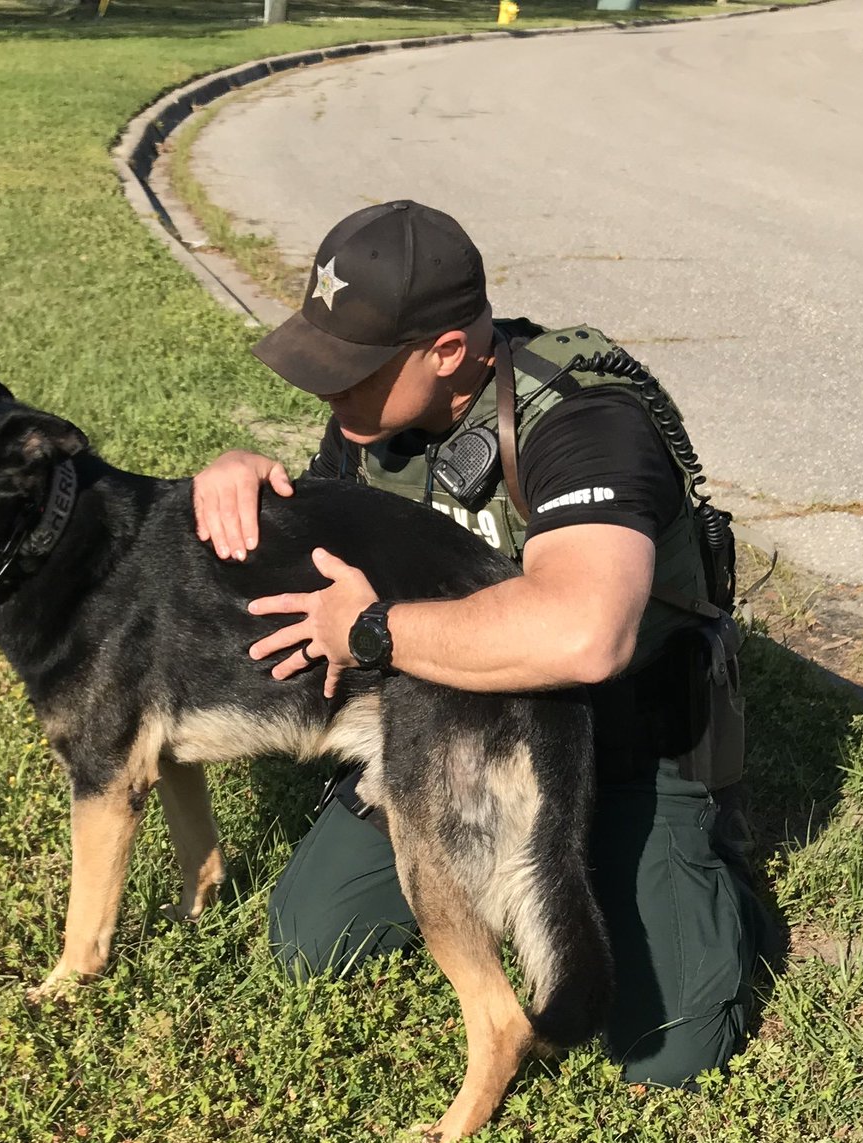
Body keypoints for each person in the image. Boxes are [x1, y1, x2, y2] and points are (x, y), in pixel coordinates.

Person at [191, 200, 772, 1088]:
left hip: (625, 739)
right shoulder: (378, 424)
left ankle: (699, 863)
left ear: (449, 353)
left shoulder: (583, 422)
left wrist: (376, 630)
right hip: (454, 723)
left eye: (352, 372)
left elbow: (587, 633)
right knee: (314, 937)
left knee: (667, 1048)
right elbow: (331, 533)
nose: (326, 392)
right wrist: (244, 478)